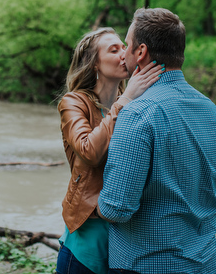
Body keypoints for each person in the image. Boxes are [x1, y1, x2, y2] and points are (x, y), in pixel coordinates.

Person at [97, 8, 216, 274]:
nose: (124, 52)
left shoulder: (137, 114)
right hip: (205, 263)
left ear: (141, 52)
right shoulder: (211, 110)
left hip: (146, 264)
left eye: (128, 45)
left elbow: (116, 209)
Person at [56, 27, 164, 274]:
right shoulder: (73, 102)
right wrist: (124, 102)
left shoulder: (138, 102)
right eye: (113, 50)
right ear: (94, 63)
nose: (123, 54)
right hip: (89, 232)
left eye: (123, 47)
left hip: (129, 232)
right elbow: (89, 152)